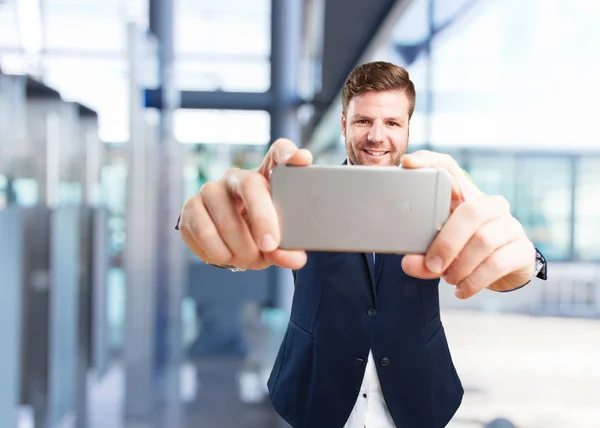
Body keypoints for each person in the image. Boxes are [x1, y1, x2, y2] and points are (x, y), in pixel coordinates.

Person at [177, 61, 548, 428]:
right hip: (316, 393)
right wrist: (204, 229)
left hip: (417, 394)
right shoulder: (302, 193)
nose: (376, 136)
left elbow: (502, 260)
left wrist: (527, 262)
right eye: (363, 121)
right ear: (343, 124)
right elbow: (234, 235)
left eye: (391, 123)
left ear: (406, 130)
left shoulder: (442, 198)